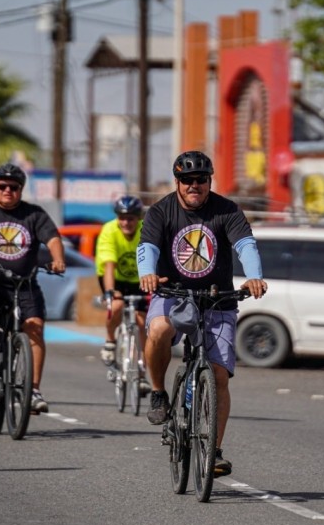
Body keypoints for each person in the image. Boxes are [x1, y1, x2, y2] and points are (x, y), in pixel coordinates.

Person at [137, 150, 267, 476]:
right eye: (187, 180)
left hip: (217, 299)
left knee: (219, 375)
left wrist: (254, 275)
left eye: (200, 180)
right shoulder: (160, 211)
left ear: (209, 181)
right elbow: (148, 247)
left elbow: (245, 245)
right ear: (177, 182)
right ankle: (157, 393)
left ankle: (215, 451)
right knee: (158, 331)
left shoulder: (227, 210)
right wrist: (147, 272)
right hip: (173, 293)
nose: (194, 186)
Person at [0, 163, 66, 414]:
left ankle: (34, 391)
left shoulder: (34, 214)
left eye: (14, 187)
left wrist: (58, 259)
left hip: (24, 282)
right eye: (2, 186)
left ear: (21, 189)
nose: (8, 191)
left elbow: (52, 238)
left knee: (35, 328)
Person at [95, 195, 147, 370]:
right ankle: (110, 340)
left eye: (130, 218)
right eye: (122, 218)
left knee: (142, 322)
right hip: (113, 277)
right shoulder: (109, 230)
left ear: (138, 218)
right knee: (116, 306)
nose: (126, 222)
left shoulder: (146, 230)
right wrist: (111, 291)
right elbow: (109, 264)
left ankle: (140, 373)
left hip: (139, 280)